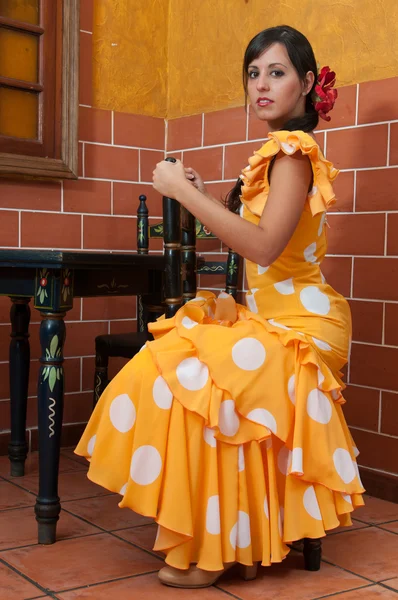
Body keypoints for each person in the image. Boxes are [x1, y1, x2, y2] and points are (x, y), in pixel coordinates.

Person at [75, 24, 364, 589]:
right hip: (274, 318)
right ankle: (228, 541)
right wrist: (203, 189)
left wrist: (185, 194)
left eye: (276, 72)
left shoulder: (292, 153)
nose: (260, 85)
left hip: (305, 326)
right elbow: (257, 236)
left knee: (197, 372)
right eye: (253, 74)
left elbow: (261, 247)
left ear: (306, 83)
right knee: (180, 365)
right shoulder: (280, 154)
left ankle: (218, 549)